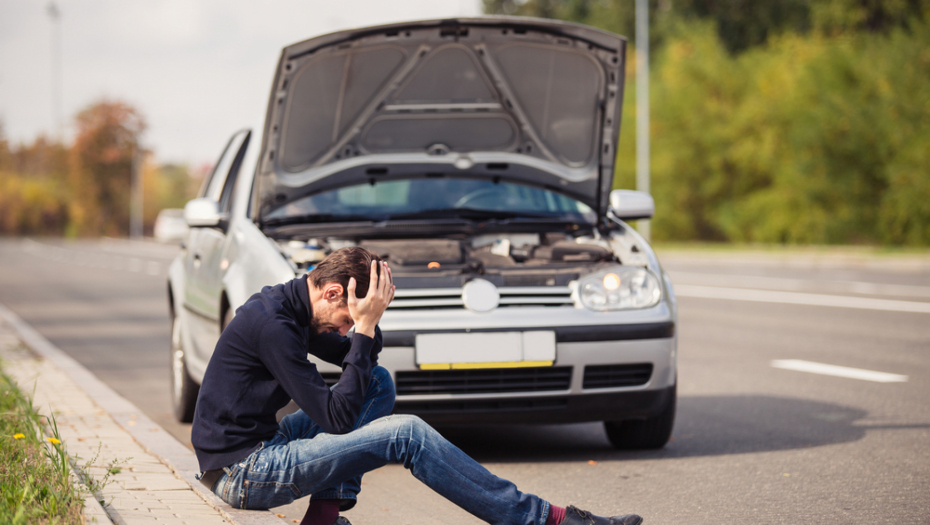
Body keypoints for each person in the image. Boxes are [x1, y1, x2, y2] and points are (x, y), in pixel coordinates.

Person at [191, 247, 643, 525]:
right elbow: (337, 418)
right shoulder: (274, 326)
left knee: (377, 384)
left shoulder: (296, 307)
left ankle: (325, 515)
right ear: (331, 293)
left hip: (262, 447)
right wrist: (364, 328)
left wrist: (368, 322)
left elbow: (364, 361)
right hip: (244, 473)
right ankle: (545, 520)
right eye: (347, 318)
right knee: (407, 434)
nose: (345, 329)